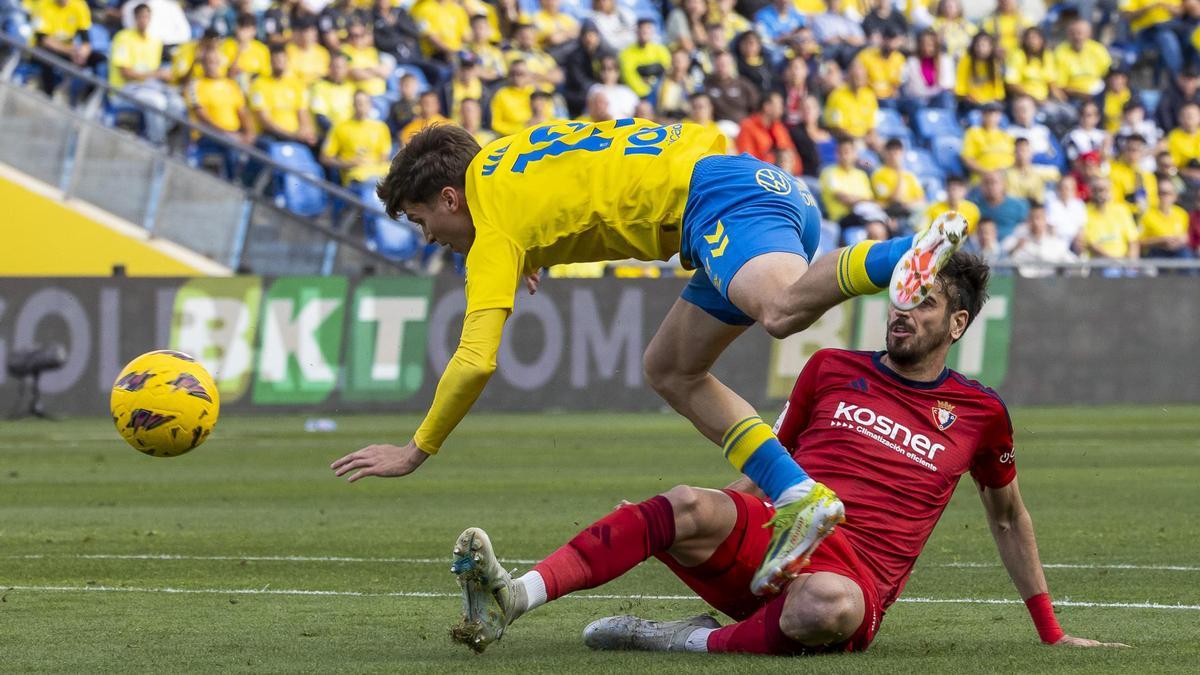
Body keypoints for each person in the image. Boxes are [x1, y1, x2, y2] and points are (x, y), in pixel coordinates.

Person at [331, 120, 972, 610]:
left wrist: (417, 449)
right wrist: (533, 252)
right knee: (670, 368)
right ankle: (797, 493)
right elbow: (588, 183)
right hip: (739, 181)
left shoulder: (491, 223)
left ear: (449, 196)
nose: (429, 237)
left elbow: (474, 361)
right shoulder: (507, 155)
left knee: (781, 309)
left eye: (423, 222)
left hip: (719, 200)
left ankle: (904, 257)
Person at [447, 253, 1128, 655]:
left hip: (850, 579)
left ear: (956, 324)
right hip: (776, 538)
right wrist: (709, 517)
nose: (902, 311)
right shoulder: (830, 366)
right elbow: (768, 461)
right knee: (684, 501)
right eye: (900, 297)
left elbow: (1008, 516)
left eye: (923, 304)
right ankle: (513, 595)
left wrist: (1051, 631)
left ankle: (678, 638)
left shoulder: (982, 413)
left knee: (825, 606)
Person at [109, 3, 185, 145]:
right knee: (157, 102)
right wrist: (156, 75)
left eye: (146, 17)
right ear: (134, 18)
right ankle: (157, 144)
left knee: (177, 104)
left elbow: (156, 72)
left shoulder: (155, 41)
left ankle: (149, 135)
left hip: (149, 87)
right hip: (125, 88)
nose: (143, 20)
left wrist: (165, 76)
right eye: (140, 17)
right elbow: (126, 73)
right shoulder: (123, 37)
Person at [320, 90, 391, 190]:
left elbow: (383, 157)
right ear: (353, 105)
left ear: (370, 105)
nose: (361, 106)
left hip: (376, 172)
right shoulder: (340, 127)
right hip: (355, 176)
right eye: (358, 103)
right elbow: (325, 158)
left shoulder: (381, 127)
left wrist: (371, 163)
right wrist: (347, 163)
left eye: (365, 103)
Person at [249, 46, 317, 148]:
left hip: (295, 133)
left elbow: (302, 112)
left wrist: (305, 131)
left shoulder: (296, 83)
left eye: (282, 60)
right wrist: (291, 136)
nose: (279, 64)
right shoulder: (259, 84)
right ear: (270, 62)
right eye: (276, 60)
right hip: (271, 134)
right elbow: (264, 120)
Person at [31, 0, 103, 95]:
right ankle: (48, 94)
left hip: (68, 50)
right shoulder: (43, 4)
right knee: (47, 56)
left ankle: (86, 99)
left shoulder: (79, 5)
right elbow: (44, 39)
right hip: (42, 48)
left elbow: (86, 40)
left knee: (99, 60)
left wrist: (82, 53)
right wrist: (70, 51)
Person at [1003, 203, 1078, 276]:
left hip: (1050, 285)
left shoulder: (1056, 244)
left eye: (1039, 218)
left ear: (1045, 220)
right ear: (1027, 220)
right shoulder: (1016, 240)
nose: (1035, 222)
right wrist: (1015, 249)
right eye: (1032, 218)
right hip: (1023, 285)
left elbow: (1075, 265)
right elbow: (1000, 261)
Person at [736, 91, 798, 175]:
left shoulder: (779, 127)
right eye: (779, 104)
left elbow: (793, 156)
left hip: (785, 175)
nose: (782, 108)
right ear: (767, 107)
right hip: (760, 175)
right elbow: (746, 159)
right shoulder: (748, 126)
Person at [1083, 179, 1141, 261]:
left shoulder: (1121, 210)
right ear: (1091, 192)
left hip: (1124, 261)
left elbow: (1133, 240)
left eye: (1105, 190)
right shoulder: (1085, 212)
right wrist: (1114, 261)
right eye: (1098, 190)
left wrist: (1131, 262)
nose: (1101, 194)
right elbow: (1091, 245)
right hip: (1099, 261)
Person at [970, 170, 1030, 240]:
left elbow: (1026, 228)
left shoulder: (1019, 205)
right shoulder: (972, 206)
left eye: (994, 182)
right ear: (980, 186)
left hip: (1011, 245)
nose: (990, 186)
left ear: (1003, 184)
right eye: (986, 183)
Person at [1139, 181, 1193, 258]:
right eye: (1161, 193)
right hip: (1156, 251)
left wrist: (1180, 240)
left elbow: (1186, 236)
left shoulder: (1181, 213)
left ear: (1175, 196)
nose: (1164, 196)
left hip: (1178, 251)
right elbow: (1140, 241)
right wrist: (1161, 240)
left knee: (1187, 256)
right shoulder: (1148, 215)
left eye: (1168, 193)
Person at [620, 18, 670, 98]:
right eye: (642, 29)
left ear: (652, 32)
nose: (645, 32)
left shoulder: (661, 50)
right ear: (636, 31)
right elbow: (629, 77)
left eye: (648, 28)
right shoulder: (627, 53)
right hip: (638, 96)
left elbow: (667, 71)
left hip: (660, 93)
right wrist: (645, 93)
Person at [961, 102, 1015, 176]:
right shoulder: (973, 133)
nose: (992, 116)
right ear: (982, 115)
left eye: (996, 113)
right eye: (989, 113)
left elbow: (1016, 157)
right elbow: (967, 158)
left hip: (1007, 177)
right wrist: (987, 173)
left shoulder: (1007, 135)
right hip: (984, 178)